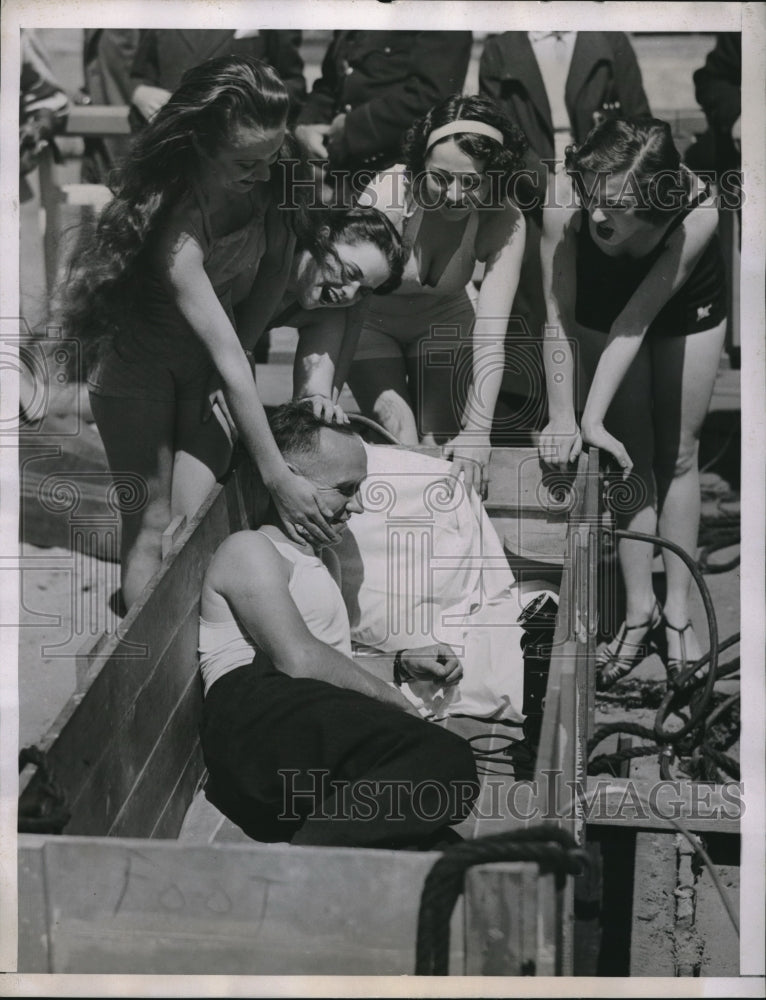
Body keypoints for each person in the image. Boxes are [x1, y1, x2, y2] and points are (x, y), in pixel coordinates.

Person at [60, 56, 400, 611]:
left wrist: (245, 346)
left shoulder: (274, 174)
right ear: (199, 145)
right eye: (246, 163)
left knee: (194, 526)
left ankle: (200, 653)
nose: (263, 174)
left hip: (210, 374)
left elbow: (270, 277)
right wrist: (276, 475)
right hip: (136, 374)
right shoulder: (175, 226)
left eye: (271, 158)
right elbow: (228, 353)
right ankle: (146, 668)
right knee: (150, 527)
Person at [198, 401, 479, 848]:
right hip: (254, 714)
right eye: (346, 489)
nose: (360, 505)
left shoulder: (324, 558)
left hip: (300, 728)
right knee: (445, 758)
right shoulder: (249, 550)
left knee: (439, 838)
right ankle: (310, 868)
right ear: (287, 477)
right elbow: (300, 659)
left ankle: (327, 861)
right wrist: (398, 703)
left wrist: (401, 666)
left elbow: (329, 663)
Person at [539, 117, 727, 686]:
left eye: (616, 204)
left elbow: (638, 319)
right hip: (602, 299)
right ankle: (639, 609)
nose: (598, 214)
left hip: (677, 299)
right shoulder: (562, 200)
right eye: (592, 195)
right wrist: (568, 414)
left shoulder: (698, 210)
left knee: (678, 453)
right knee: (628, 451)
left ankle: (677, 615)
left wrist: (588, 413)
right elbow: (556, 319)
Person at [346, 94, 528, 496]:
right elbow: (348, 296)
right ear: (420, 165)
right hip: (371, 322)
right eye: (440, 177)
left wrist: (479, 431)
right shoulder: (391, 193)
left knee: (442, 444)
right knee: (401, 441)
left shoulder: (505, 219)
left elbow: (492, 334)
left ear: (494, 176)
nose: (454, 194)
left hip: (446, 321)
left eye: (472, 181)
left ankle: (445, 548)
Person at [479, 32, 651, 420]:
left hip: (602, 189)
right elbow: (500, 132)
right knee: (539, 299)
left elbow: (639, 120)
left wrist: (596, 188)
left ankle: (600, 408)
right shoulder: (502, 48)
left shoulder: (608, 41)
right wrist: (550, 189)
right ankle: (544, 415)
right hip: (533, 188)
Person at [294, 30, 472, 206]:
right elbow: (331, 83)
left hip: (400, 183)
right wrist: (305, 127)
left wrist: (350, 128)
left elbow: (432, 97)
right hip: (343, 177)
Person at [129, 29, 306, 126]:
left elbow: (293, 83)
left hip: (236, 146)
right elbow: (139, 74)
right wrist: (140, 92)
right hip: (171, 143)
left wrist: (250, 101)